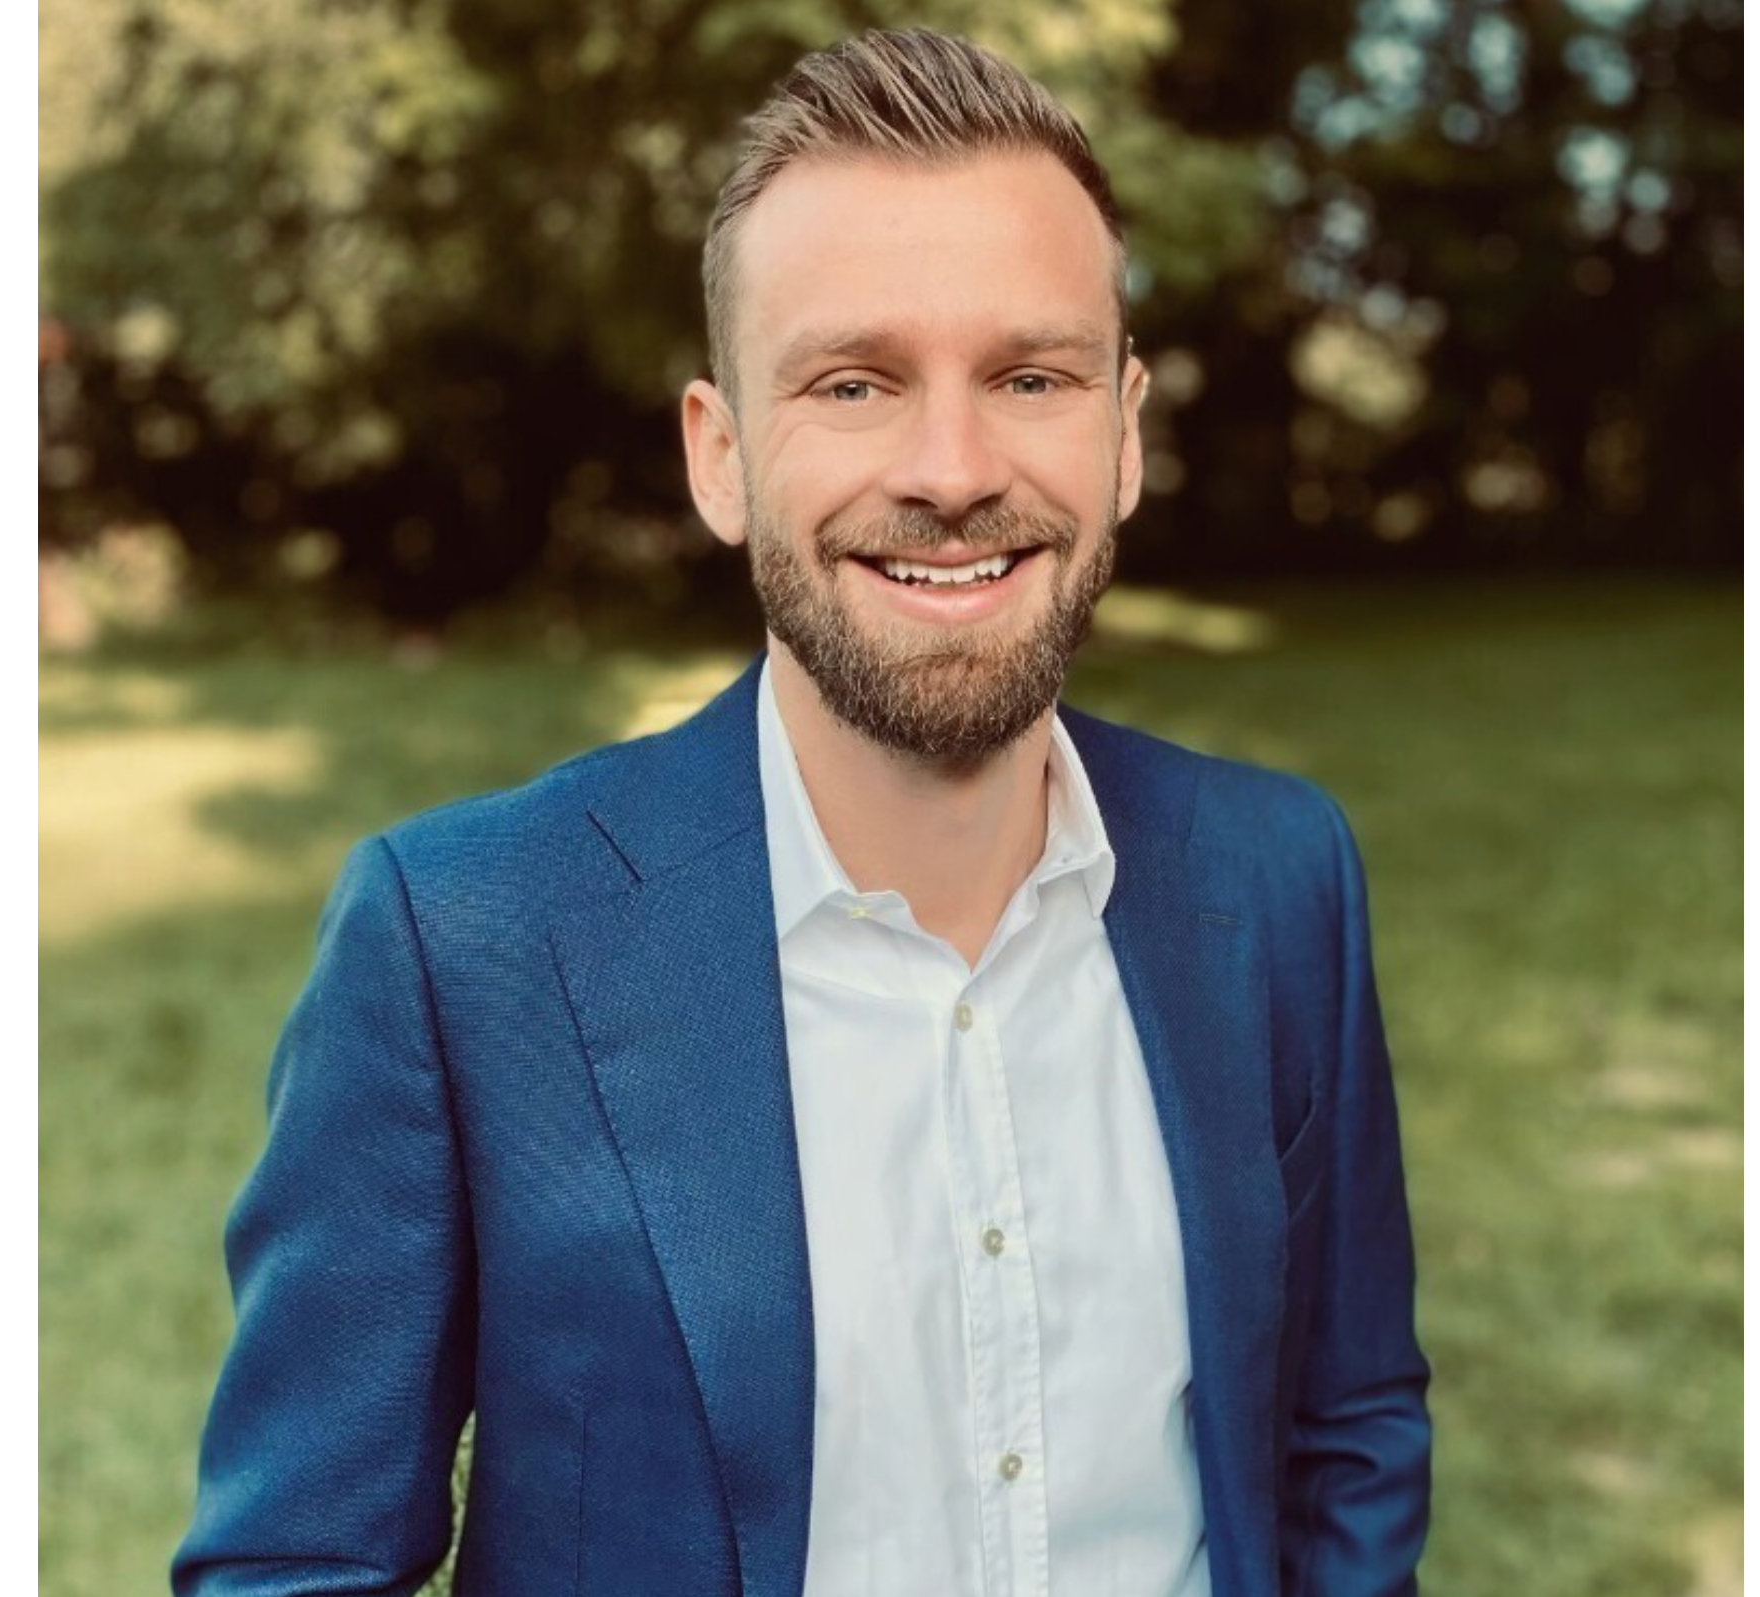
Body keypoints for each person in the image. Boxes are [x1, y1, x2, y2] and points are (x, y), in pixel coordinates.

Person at [173, 28, 1431, 1597]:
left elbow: (1345, 1422)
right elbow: (292, 1564)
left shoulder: (1278, 875)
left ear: (1123, 436)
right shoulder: (462, 944)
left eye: (1029, 378)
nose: (951, 470)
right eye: (853, 383)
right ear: (721, 458)